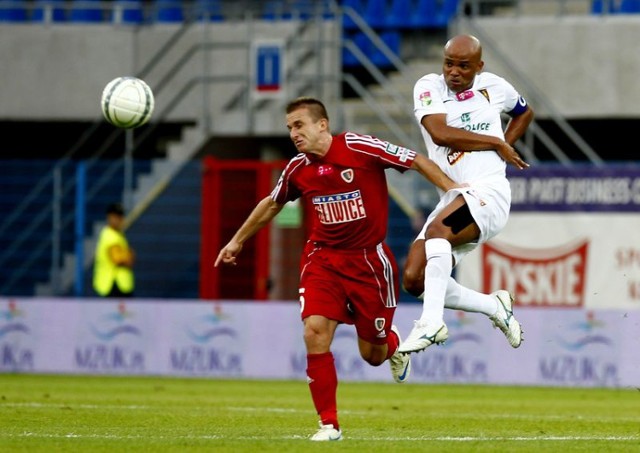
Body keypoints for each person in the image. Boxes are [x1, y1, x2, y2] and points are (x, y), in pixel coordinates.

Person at [215, 97, 459, 441]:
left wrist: (454, 193)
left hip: (368, 264)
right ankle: (329, 425)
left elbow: (415, 159)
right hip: (323, 259)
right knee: (314, 331)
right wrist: (237, 240)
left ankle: (391, 346)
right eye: (289, 128)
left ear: (322, 124)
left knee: (371, 354)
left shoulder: (359, 147)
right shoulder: (298, 168)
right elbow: (273, 203)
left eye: (299, 125)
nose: (293, 134)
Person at [398, 34, 534, 355]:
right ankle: (494, 306)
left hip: (487, 195)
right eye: (449, 64)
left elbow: (524, 112)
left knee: (437, 233)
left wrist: (505, 148)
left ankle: (431, 323)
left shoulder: (494, 86)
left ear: (478, 67)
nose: (453, 72)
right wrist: (496, 142)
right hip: (456, 197)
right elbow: (439, 133)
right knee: (414, 278)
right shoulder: (428, 86)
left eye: (463, 66)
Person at [93, 202, 135, 298]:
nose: (120, 220)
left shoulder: (118, 235)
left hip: (121, 286)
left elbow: (130, 257)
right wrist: (128, 257)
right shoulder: (109, 236)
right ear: (109, 217)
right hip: (112, 285)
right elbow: (118, 259)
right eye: (116, 217)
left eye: (121, 217)